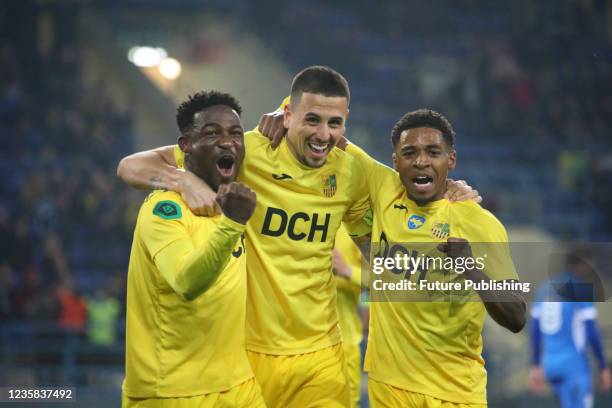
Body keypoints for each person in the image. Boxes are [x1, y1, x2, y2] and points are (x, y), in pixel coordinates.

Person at [117, 66, 478, 407]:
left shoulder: (354, 170)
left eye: (334, 123)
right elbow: (131, 165)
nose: (324, 134)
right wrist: (184, 180)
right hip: (247, 356)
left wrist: (452, 189)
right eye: (312, 120)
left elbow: (410, 189)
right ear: (287, 116)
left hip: (320, 355)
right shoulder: (246, 151)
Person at [345, 109, 526, 407]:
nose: (421, 161)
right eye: (409, 152)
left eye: (433, 152)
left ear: (450, 160)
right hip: (390, 388)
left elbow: (516, 317)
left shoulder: (480, 224)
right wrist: (281, 112)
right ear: (395, 162)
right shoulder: (382, 191)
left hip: (453, 392)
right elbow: (328, 134)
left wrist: (469, 267)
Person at [121, 91, 264, 407]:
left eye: (235, 133)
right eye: (212, 133)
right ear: (185, 147)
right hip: (175, 391)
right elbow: (187, 282)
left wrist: (361, 279)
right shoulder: (164, 208)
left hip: (247, 381)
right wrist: (182, 181)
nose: (227, 141)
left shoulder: (360, 182)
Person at [529, 247, 611, 408]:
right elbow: (592, 332)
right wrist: (603, 367)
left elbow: (535, 330)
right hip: (573, 365)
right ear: (585, 263)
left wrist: (536, 365)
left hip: (550, 363)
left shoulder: (545, 288)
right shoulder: (579, 288)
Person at [332, 225, 367, 408]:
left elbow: (384, 281)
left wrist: (347, 271)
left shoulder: (354, 228)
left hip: (343, 344)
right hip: (290, 345)